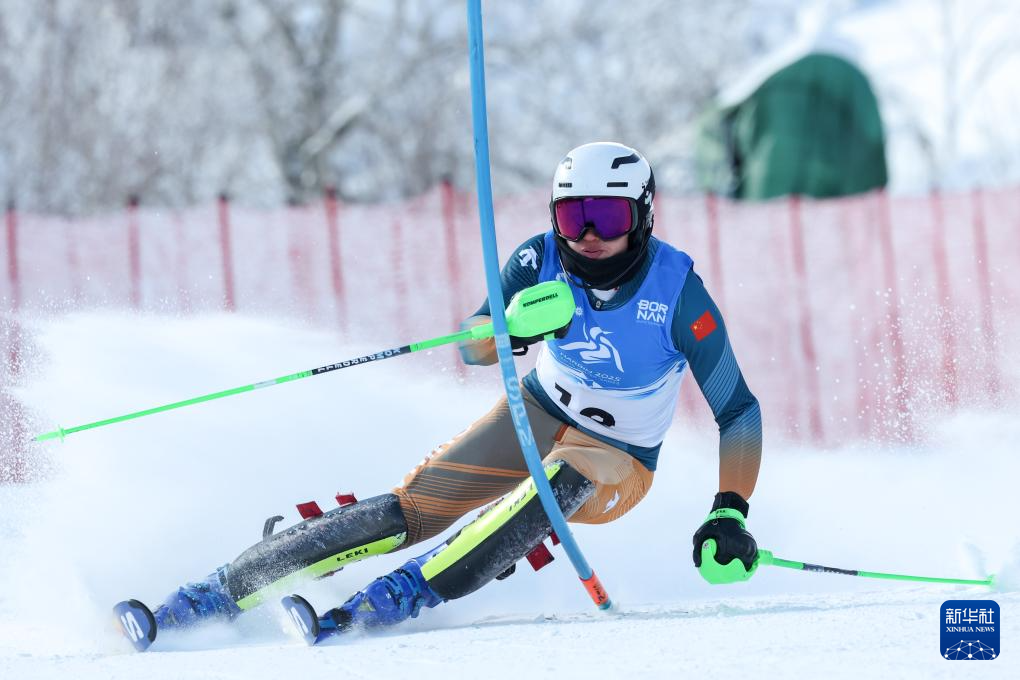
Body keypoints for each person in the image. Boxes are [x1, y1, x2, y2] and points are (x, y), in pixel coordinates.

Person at [114, 142, 763, 650]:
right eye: (573, 216)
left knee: (557, 483)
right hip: (538, 411)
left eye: (608, 216)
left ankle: (392, 598)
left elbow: (737, 409)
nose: (588, 234)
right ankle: (210, 596)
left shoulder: (678, 293)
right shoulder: (538, 260)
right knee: (414, 507)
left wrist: (729, 511)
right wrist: (507, 330)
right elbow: (471, 345)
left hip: (618, 456)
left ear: (642, 216)